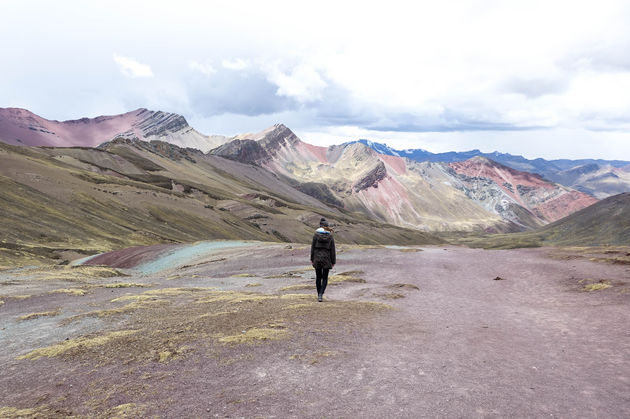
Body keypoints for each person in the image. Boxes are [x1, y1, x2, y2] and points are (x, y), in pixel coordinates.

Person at [310, 218, 336, 302]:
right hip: (327, 258)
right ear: (327, 227)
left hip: (317, 258)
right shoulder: (330, 237)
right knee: (325, 278)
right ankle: (321, 294)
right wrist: (333, 261)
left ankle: (319, 295)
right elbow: (332, 250)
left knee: (318, 277)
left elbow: (313, 248)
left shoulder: (315, 235)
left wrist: (312, 259)